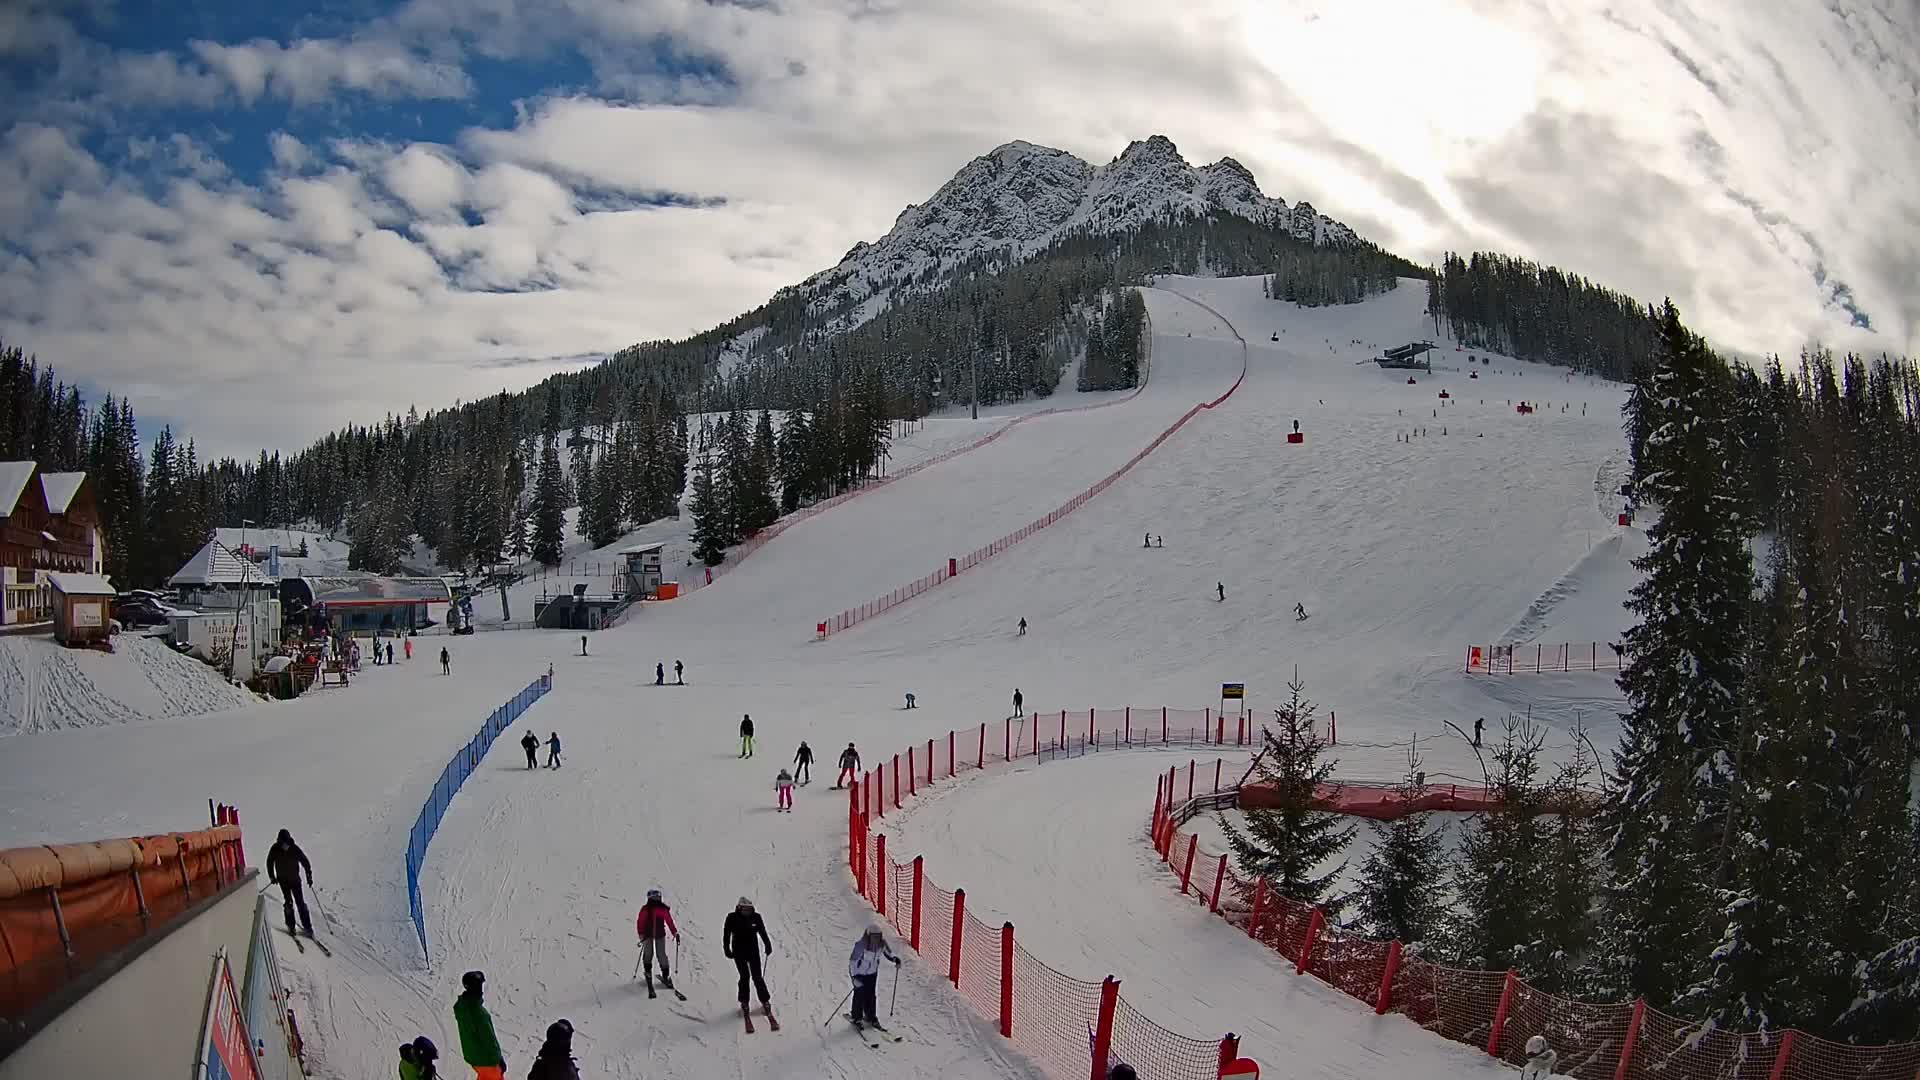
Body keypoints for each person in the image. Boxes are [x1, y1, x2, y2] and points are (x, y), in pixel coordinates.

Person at [722, 897, 773, 1012]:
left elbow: (762, 931)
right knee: (744, 976)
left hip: (753, 950)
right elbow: (726, 934)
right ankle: (744, 1001)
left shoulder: (756, 917)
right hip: (738, 951)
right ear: (739, 908)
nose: (747, 912)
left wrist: (767, 944)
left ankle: (765, 1000)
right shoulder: (732, 918)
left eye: (749, 909)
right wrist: (726, 949)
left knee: (757, 976)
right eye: (744, 909)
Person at [453, 971, 506, 1080]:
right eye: (479, 986)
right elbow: (489, 1040)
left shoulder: (461, 1007)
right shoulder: (479, 1014)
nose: (481, 990)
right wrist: (498, 1059)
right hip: (486, 1060)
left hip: (472, 1056)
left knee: (484, 1076)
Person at [847, 925, 900, 1028]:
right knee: (859, 994)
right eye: (873, 936)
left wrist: (895, 959)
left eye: (878, 936)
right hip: (859, 974)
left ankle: (871, 1017)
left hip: (872, 973)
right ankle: (856, 1017)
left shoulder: (882, 944)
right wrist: (854, 978)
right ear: (868, 936)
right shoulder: (861, 945)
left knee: (871, 995)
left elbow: (889, 953)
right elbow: (852, 962)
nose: (876, 939)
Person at [266, 829, 314, 936]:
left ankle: (307, 927)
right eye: (283, 844)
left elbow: (305, 861)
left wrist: (309, 875)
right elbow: (269, 862)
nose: (285, 846)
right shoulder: (275, 849)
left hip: (295, 880)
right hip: (283, 881)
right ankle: (291, 926)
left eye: (287, 844)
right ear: (280, 842)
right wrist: (272, 877)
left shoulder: (294, 848)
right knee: (288, 903)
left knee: (300, 903)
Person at [636, 889, 680, 990]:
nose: (657, 899)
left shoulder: (662, 909)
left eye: (658, 897)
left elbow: (669, 921)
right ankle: (649, 972)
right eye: (655, 897)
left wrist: (674, 932)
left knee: (660, 954)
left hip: (658, 934)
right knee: (649, 953)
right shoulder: (646, 909)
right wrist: (641, 933)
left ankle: (664, 974)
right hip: (648, 935)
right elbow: (640, 922)